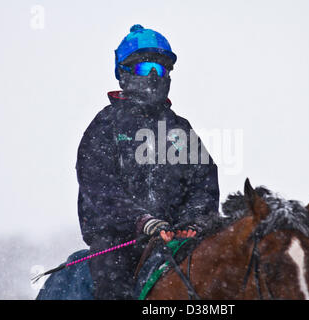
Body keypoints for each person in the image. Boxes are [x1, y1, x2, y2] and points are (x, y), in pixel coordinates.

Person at [75, 24, 220, 300]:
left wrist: (193, 221)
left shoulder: (181, 130)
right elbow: (100, 188)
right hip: (121, 241)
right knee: (111, 280)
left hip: (177, 239)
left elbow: (204, 184)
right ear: (124, 74)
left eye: (160, 69)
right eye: (144, 68)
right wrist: (142, 221)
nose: (154, 76)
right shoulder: (105, 126)